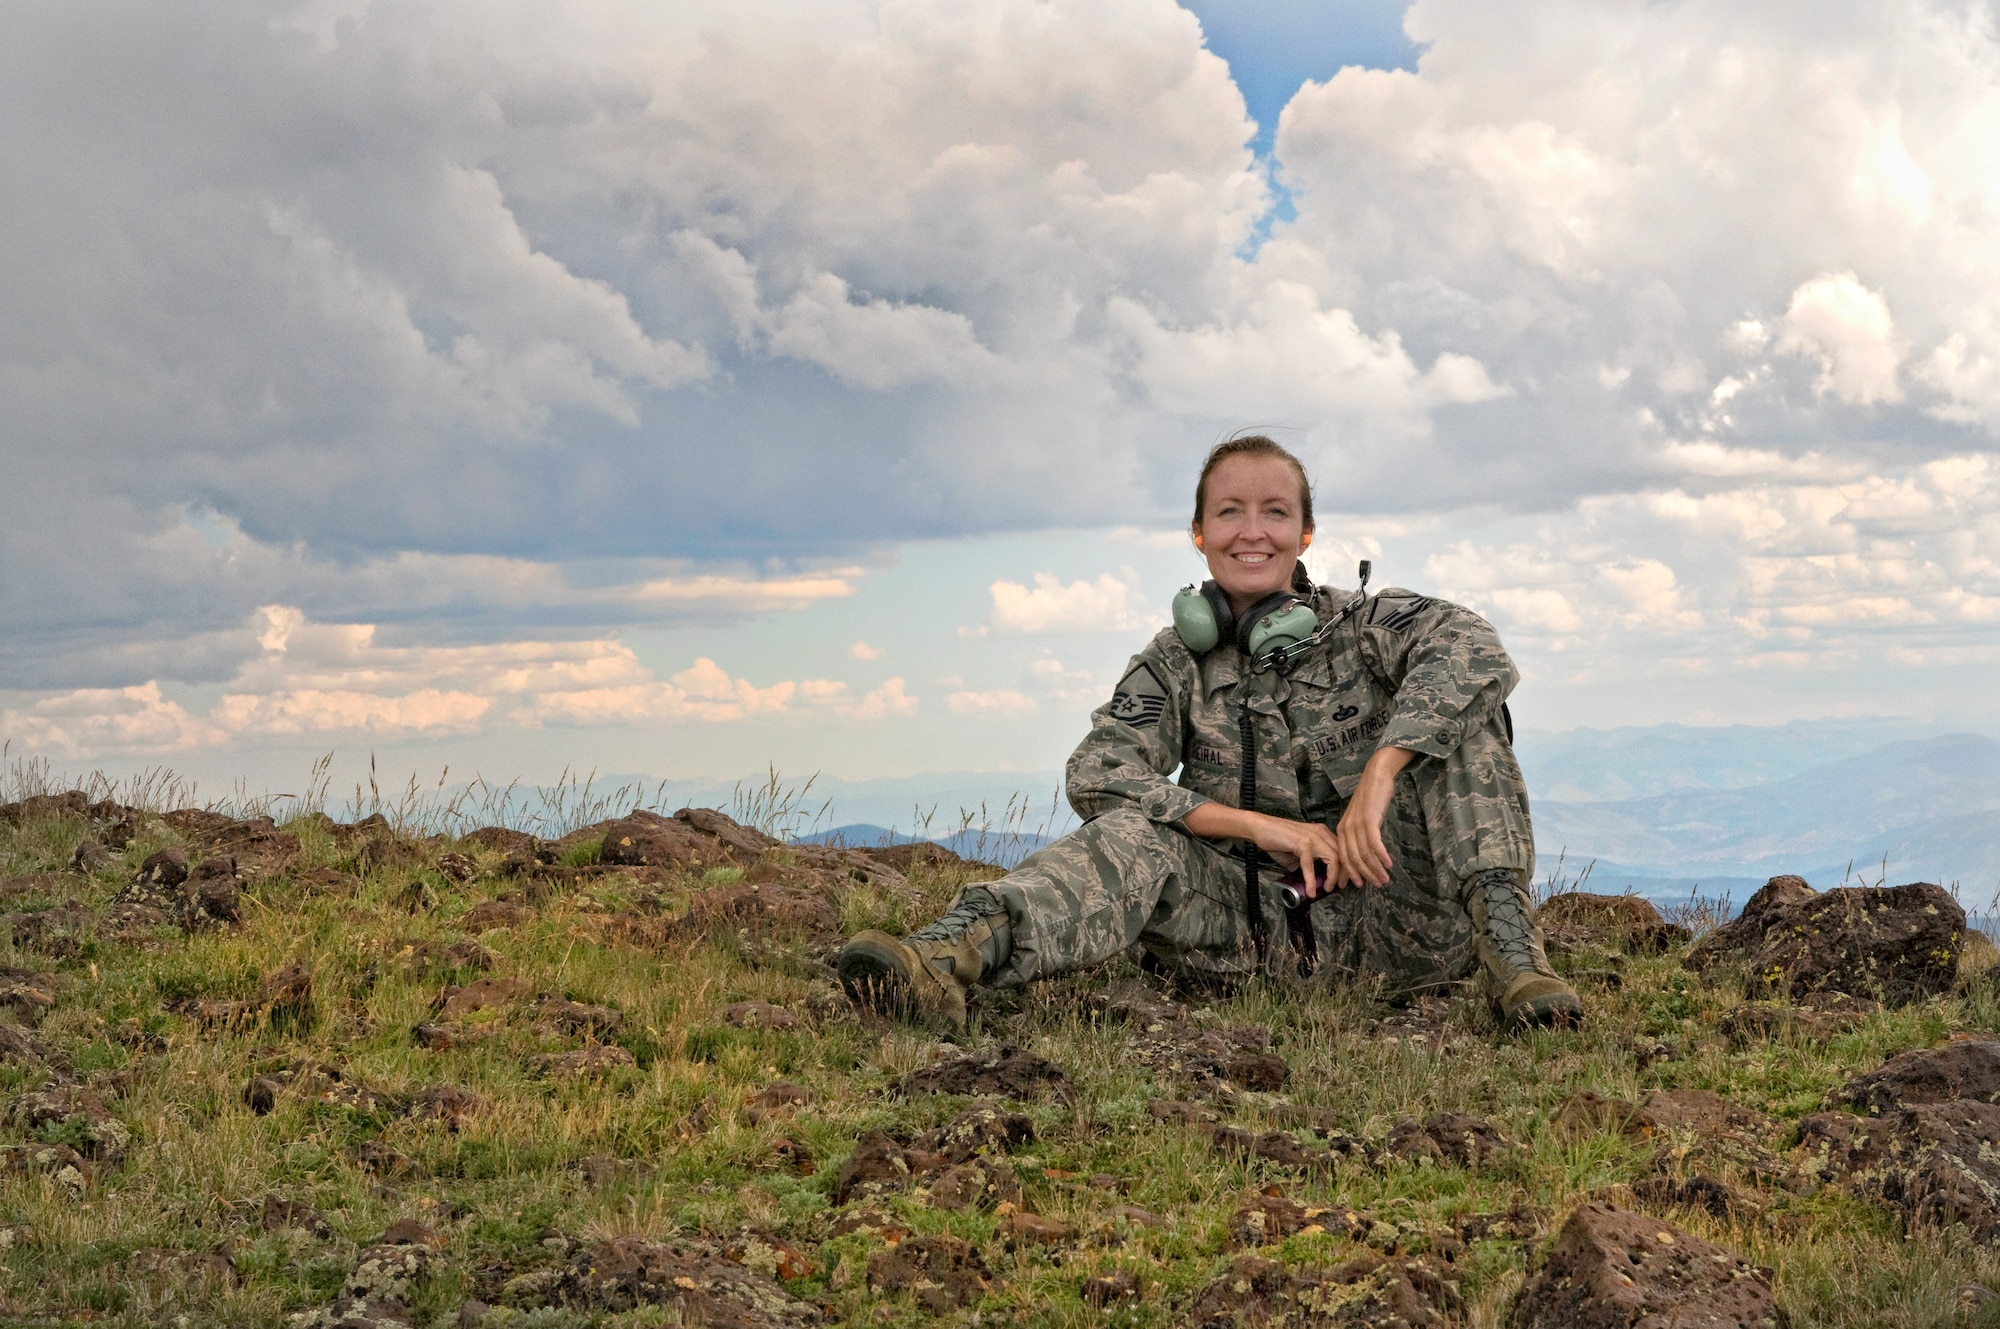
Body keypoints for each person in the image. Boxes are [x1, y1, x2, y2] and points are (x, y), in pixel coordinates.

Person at [837, 435, 1581, 1031]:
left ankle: (1514, 959)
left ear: (1305, 531)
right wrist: (1263, 829)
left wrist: (1380, 775)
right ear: (1199, 534)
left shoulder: (1367, 625)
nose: (1250, 531)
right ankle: (947, 959)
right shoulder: (1173, 663)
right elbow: (1098, 771)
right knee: (1133, 833)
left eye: (1274, 512)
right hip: (1247, 936)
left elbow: (1475, 648)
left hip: (1408, 924)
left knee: (1464, 724)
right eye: (1229, 512)